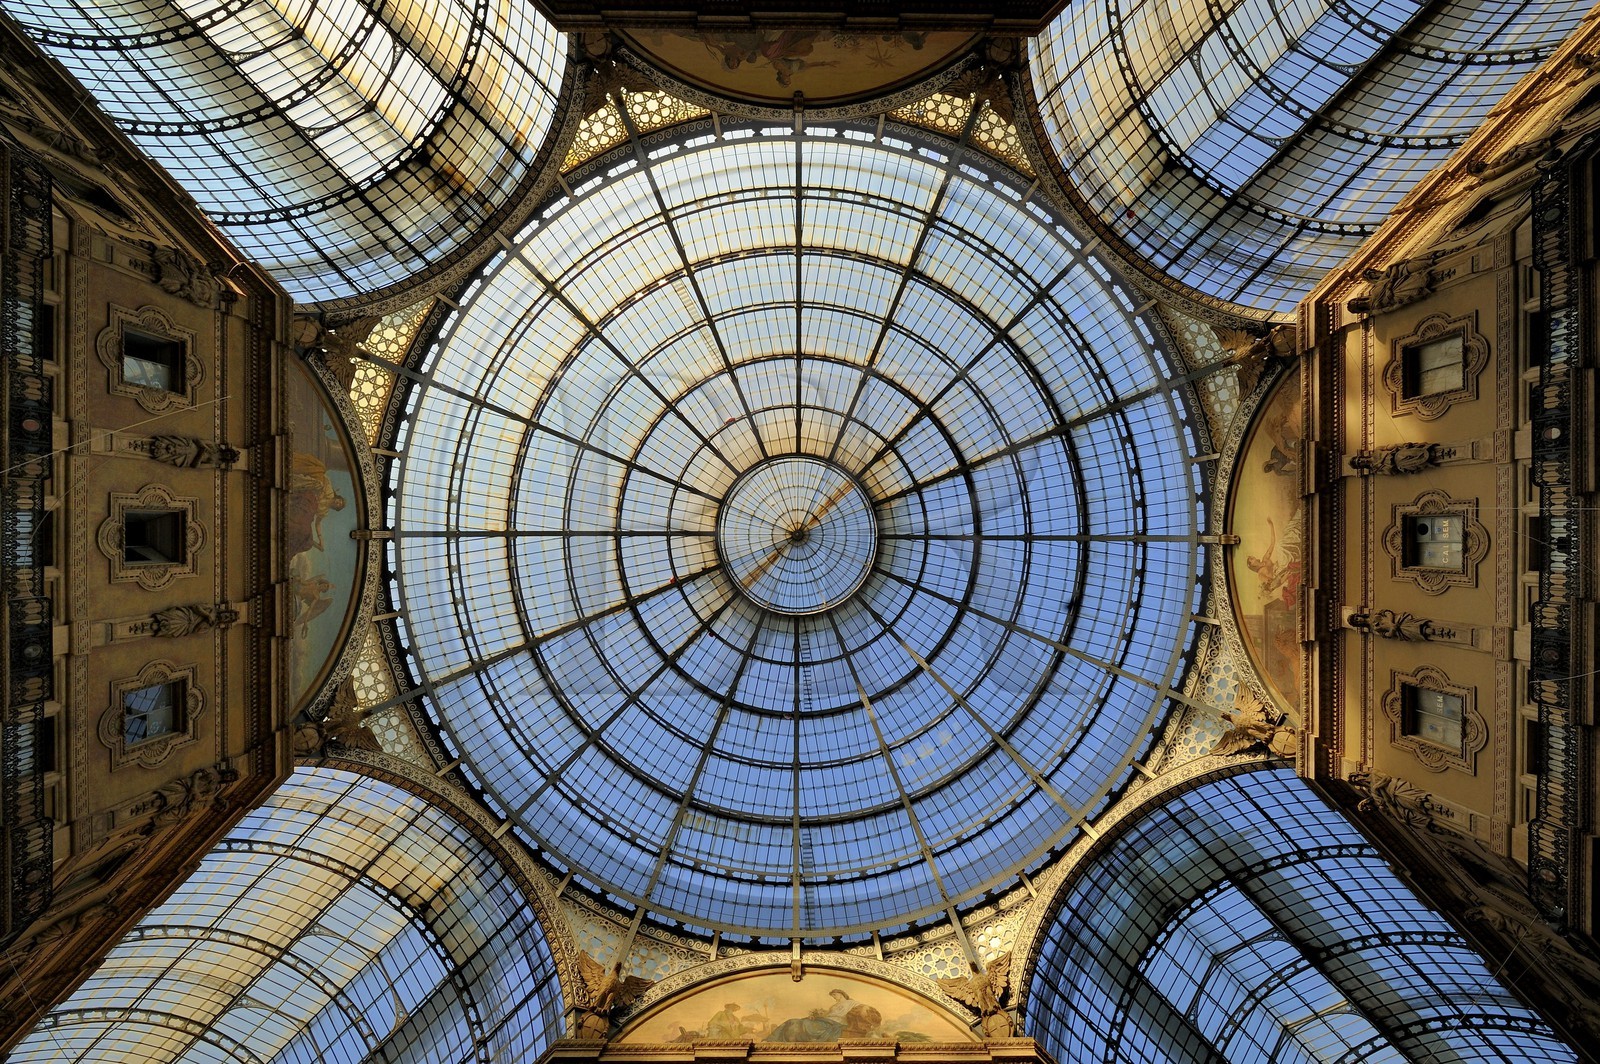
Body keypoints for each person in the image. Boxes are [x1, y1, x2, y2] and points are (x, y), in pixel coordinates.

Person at [766, 988, 857, 1042]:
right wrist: (816, 1016)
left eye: (834, 995)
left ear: (840, 994)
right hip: (826, 1021)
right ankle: (771, 1039)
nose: (834, 997)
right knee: (793, 1021)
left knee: (805, 1023)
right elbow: (827, 1015)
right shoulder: (833, 1006)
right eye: (833, 996)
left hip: (835, 1023)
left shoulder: (851, 1003)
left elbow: (862, 1008)